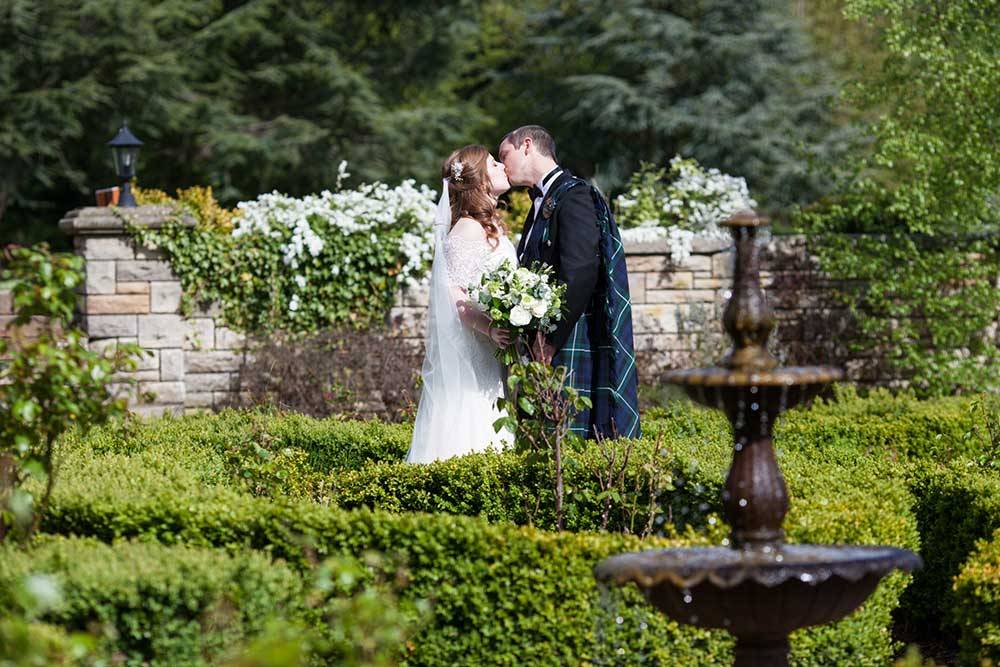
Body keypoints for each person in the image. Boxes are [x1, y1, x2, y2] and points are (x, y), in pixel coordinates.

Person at [498, 125, 641, 439]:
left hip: (565, 337)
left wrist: (551, 338)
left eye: (503, 155)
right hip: (541, 341)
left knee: (566, 435)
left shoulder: (574, 194)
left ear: (526, 145)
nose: (502, 165)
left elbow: (580, 271)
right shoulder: (542, 200)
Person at [406, 145, 517, 463]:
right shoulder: (468, 228)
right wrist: (490, 328)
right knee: (473, 422)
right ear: (481, 180)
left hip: (491, 351)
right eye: (494, 164)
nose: (501, 166)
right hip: (476, 350)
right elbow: (455, 295)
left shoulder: (488, 223)